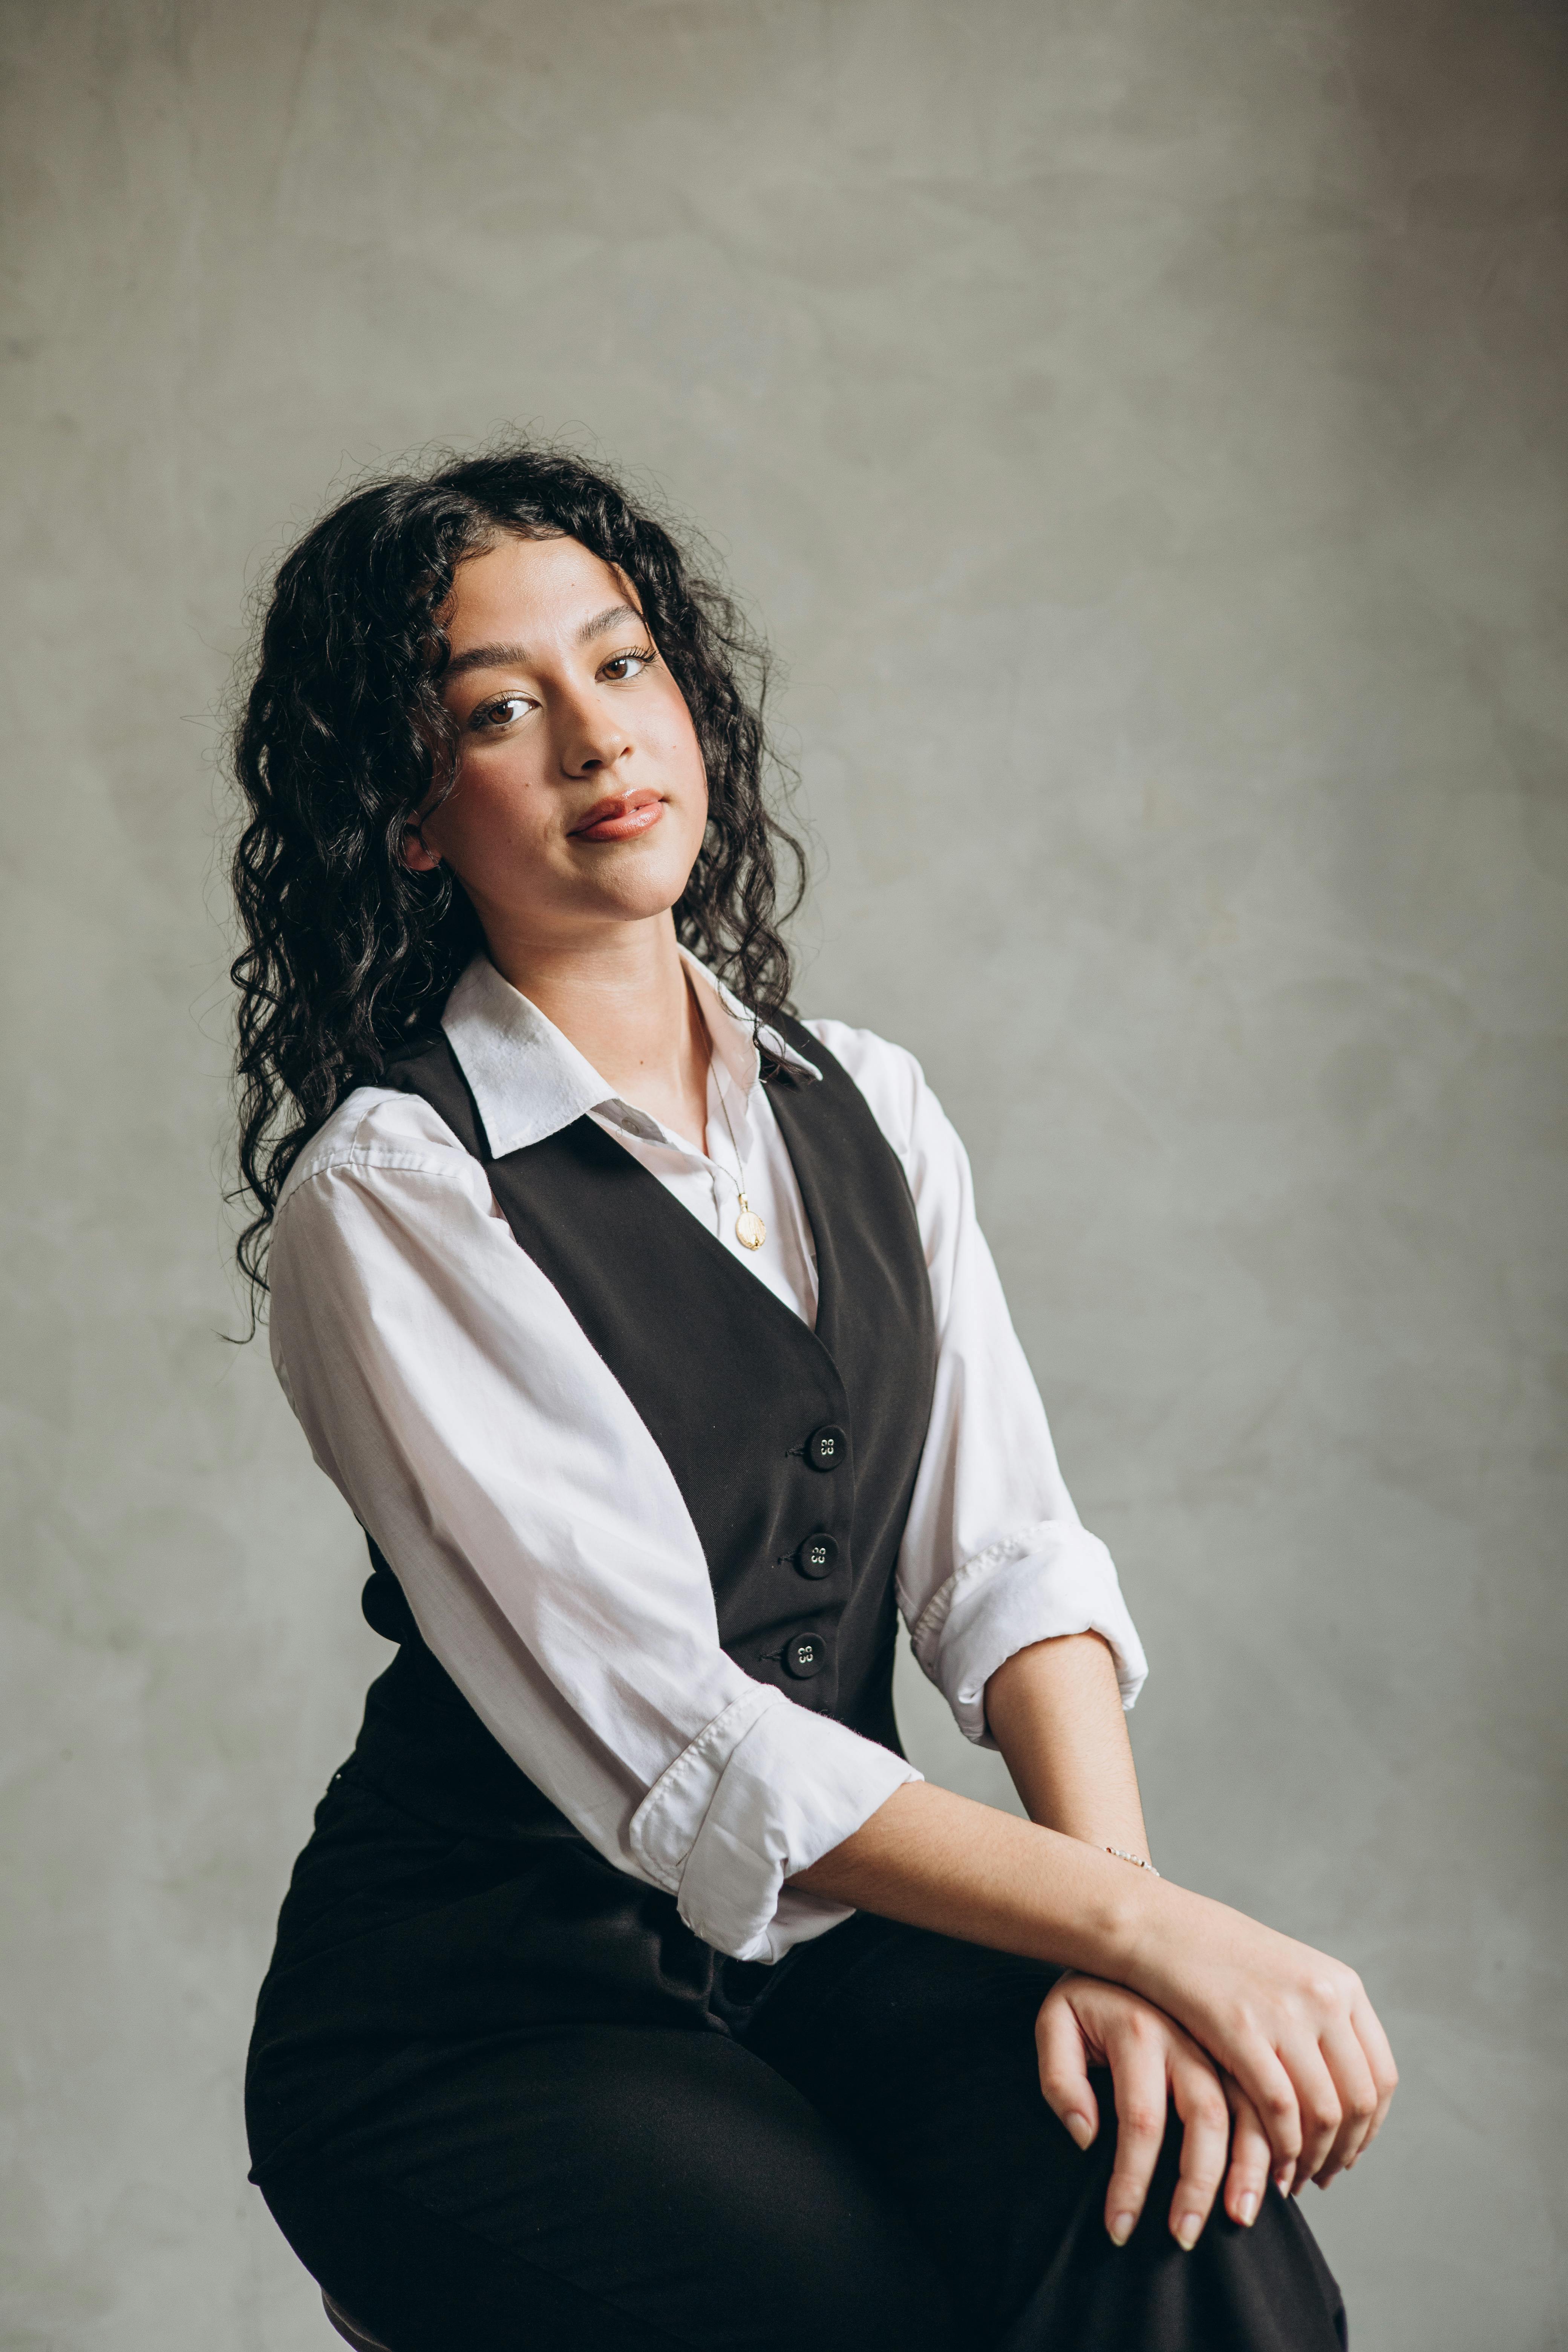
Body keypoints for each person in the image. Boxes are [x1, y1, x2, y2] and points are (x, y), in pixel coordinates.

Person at [230, 443, 1395, 2352]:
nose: (598, 737)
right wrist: (1149, 1936)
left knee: (1189, 2218)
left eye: (622, 666)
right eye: (499, 710)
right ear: (414, 815)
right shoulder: (395, 1193)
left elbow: (1001, 1559)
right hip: (483, 2014)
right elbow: (681, 1741)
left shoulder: (863, 1101)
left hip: (824, 1960)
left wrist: (1113, 1922)